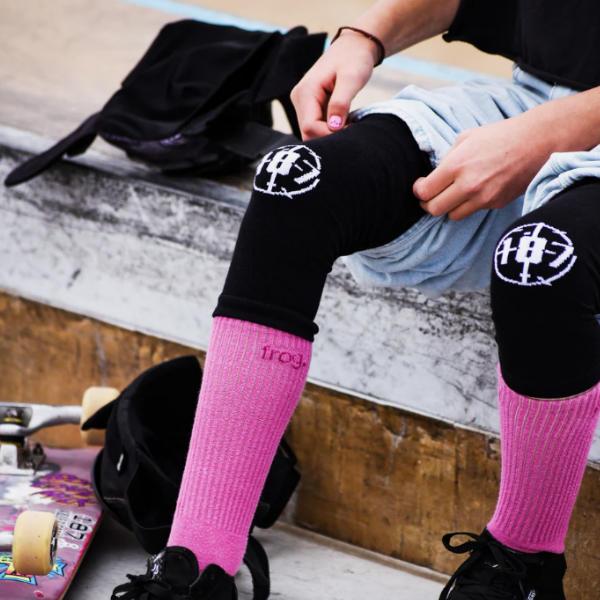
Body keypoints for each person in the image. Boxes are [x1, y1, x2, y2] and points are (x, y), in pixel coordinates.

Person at [112, 1, 600, 599]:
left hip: (556, 127)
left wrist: (542, 137)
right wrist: (364, 38)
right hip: (530, 102)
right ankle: (198, 564)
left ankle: (524, 569)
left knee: (541, 260)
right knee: (293, 180)